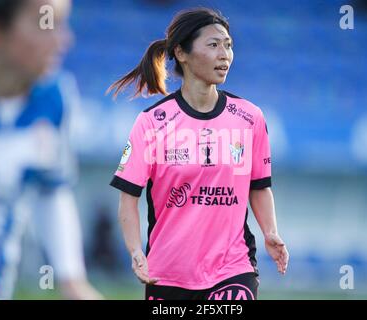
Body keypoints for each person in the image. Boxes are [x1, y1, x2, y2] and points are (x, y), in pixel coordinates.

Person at [108, 8, 289, 300]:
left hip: (232, 269)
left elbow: (259, 187)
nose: (225, 54)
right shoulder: (152, 123)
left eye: (229, 45)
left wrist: (270, 232)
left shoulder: (249, 118)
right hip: (167, 274)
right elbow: (128, 198)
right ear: (181, 53)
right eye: (214, 45)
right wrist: (135, 251)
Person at [0, 0, 102, 299]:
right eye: (47, 24)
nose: (63, 39)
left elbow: (51, 189)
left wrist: (72, 280)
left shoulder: (53, 99)